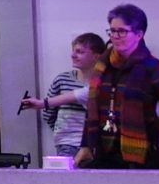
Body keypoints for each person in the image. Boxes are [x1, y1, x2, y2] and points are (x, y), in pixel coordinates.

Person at [78, 5, 159, 170]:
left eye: (122, 31)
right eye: (112, 31)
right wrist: (85, 145)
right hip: (103, 151)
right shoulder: (102, 65)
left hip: (142, 155)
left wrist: (149, 133)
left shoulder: (154, 67)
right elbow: (92, 107)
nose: (115, 36)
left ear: (139, 34)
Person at [20, 33, 103, 163]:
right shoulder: (62, 80)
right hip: (66, 142)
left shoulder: (102, 84)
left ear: (96, 57)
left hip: (93, 145)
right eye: (73, 51)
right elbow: (49, 113)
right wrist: (62, 133)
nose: (73, 55)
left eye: (80, 52)